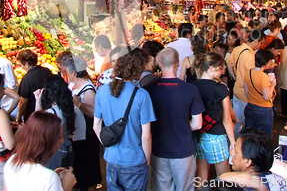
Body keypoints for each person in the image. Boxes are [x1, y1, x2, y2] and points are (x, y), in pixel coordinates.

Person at [93, 48, 156, 191]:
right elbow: (146, 136)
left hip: (111, 160)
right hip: (135, 161)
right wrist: (146, 160)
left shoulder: (102, 91)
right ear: (136, 69)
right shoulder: (142, 95)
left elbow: (96, 126)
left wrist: (108, 145)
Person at [144, 48, 204, 191]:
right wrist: (183, 125)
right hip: (183, 151)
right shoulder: (191, 90)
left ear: (159, 63)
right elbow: (197, 124)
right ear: (178, 63)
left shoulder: (148, 90)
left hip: (159, 151)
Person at [3, 111, 77, 191]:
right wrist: (67, 186)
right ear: (46, 142)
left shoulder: (11, 161)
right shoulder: (49, 178)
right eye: (59, 137)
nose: (62, 141)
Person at [193, 52, 236, 184]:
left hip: (199, 135)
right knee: (223, 176)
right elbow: (227, 119)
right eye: (221, 67)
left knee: (201, 175)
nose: (224, 71)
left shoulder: (193, 85)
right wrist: (233, 142)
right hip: (217, 136)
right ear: (211, 68)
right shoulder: (221, 88)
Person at [61, 55, 101, 191]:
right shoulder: (74, 85)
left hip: (87, 138)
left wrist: (78, 104)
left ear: (73, 73)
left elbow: (96, 114)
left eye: (66, 72)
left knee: (87, 174)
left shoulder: (88, 91)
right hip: (78, 137)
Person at [219, 128, 287, 191]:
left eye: (236, 151)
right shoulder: (281, 180)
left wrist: (224, 177)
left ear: (248, 162)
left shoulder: (241, 187)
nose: (231, 153)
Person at [226, 29, 264, 138]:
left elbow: (228, 62)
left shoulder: (238, 48)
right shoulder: (249, 56)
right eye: (261, 43)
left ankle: (234, 142)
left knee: (237, 121)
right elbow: (253, 76)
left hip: (237, 90)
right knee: (247, 122)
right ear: (256, 41)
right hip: (245, 94)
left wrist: (234, 76)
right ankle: (243, 145)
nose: (261, 46)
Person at [34, 74, 76, 169]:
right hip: (66, 148)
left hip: (55, 152)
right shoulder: (66, 108)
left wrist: (38, 100)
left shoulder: (52, 112)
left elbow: (38, 122)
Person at [243, 49, 276, 140]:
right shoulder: (263, 77)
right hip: (263, 110)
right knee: (264, 138)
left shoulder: (248, 72)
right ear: (267, 61)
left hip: (250, 107)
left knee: (250, 137)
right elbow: (267, 97)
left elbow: (246, 91)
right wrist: (272, 86)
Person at [16, 49, 52, 123]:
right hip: (48, 111)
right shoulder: (47, 71)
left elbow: (24, 102)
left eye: (21, 65)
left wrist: (19, 118)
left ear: (26, 64)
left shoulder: (27, 78)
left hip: (33, 115)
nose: (22, 67)